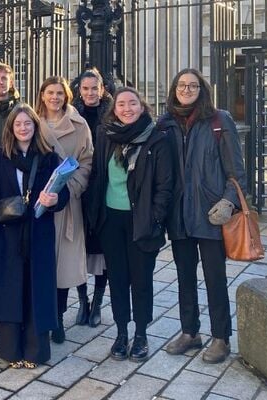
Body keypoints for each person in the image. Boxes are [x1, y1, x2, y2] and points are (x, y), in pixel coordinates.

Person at [159, 68, 246, 364]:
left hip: (211, 214)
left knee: (214, 278)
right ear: (174, 89)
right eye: (182, 85)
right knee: (184, 276)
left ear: (202, 89)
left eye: (192, 85)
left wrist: (227, 202)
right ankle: (190, 332)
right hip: (180, 214)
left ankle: (221, 337)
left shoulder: (219, 121)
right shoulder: (166, 122)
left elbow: (236, 173)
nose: (186, 89)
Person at [0, 103, 69, 368]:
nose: (23, 128)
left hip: (38, 234)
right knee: (10, 290)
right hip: (7, 234)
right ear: (11, 128)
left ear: (35, 127)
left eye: (28, 123)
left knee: (36, 290)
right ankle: (9, 351)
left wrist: (54, 200)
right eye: (18, 124)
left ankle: (35, 351)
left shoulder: (49, 158)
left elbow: (64, 193)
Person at [87, 87, 173, 362]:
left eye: (132, 103)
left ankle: (141, 334)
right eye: (121, 104)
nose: (126, 109)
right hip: (111, 220)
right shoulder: (106, 135)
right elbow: (98, 174)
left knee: (141, 280)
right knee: (118, 279)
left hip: (141, 221)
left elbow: (165, 186)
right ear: (114, 109)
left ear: (142, 106)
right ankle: (121, 332)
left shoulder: (156, 138)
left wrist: (156, 218)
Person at [35, 76, 93, 343]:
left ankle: (58, 318)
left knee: (63, 265)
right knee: (42, 262)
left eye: (59, 93)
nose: (54, 97)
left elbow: (86, 162)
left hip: (68, 203)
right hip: (39, 201)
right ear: (42, 95)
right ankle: (40, 316)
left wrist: (71, 190)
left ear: (66, 96)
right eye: (50, 92)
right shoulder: (32, 122)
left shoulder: (80, 126)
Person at [72, 68, 113, 327]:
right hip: (79, 189)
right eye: (85, 88)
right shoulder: (72, 113)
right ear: (79, 90)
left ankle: (97, 301)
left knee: (101, 250)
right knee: (77, 248)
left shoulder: (111, 114)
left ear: (102, 89)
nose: (90, 93)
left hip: (104, 188)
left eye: (94, 88)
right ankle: (82, 300)